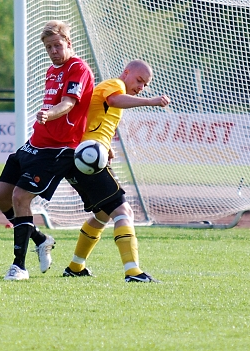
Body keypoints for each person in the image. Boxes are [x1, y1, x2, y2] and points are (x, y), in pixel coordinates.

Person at [0, 20, 94, 281]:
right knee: (0, 197)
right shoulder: (51, 70)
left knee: (20, 198)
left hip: (58, 149)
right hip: (35, 143)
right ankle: (40, 239)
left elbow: (69, 103)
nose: (53, 51)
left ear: (68, 43)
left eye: (58, 45)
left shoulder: (78, 68)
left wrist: (50, 113)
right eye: (49, 47)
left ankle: (19, 267)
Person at [62, 60, 170, 282]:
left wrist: (106, 146)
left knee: (102, 214)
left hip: (85, 157)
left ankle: (75, 267)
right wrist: (150, 101)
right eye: (139, 80)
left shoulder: (111, 89)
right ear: (126, 73)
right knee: (123, 212)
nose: (141, 87)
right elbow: (113, 100)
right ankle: (133, 272)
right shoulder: (115, 85)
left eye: (145, 85)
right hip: (87, 158)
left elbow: (94, 117)